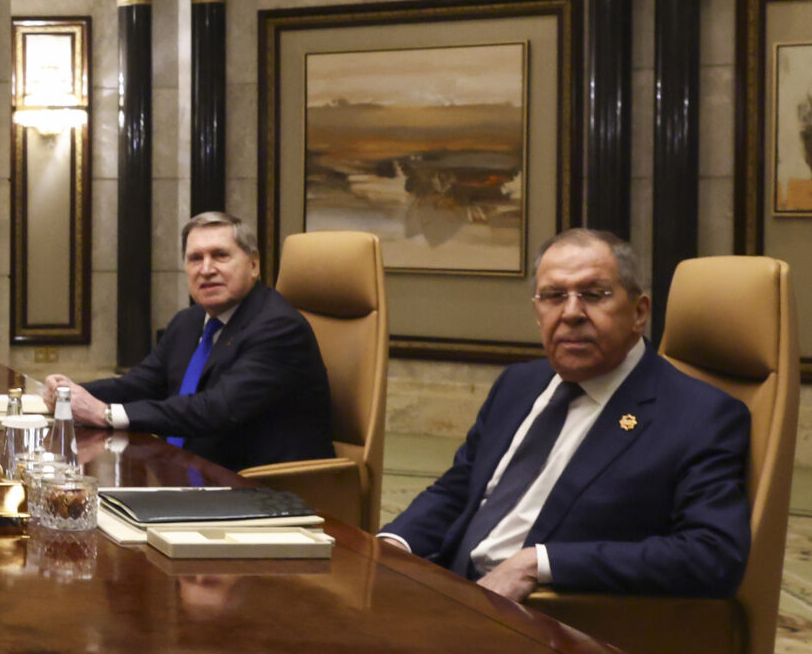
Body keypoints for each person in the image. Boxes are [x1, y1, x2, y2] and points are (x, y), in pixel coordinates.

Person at [381, 229, 749, 601]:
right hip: (448, 592)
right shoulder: (518, 384)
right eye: (554, 296)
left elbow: (711, 554)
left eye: (593, 294)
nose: (571, 313)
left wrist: (539, 563)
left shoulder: (699, 415)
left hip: (551, 624)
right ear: (538, 313)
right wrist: (393, 544)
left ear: (639, 313)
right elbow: (460, 488)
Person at [42, 210, 332, 472]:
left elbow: (216, 408)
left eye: (220, 255)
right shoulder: (189, 322)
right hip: (190, 474)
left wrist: (104, 414)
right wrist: (71, 393)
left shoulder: (278, 327)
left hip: (259, 491)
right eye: (195, 258)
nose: (206, 269)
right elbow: (138, 384)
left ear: (254, 266)